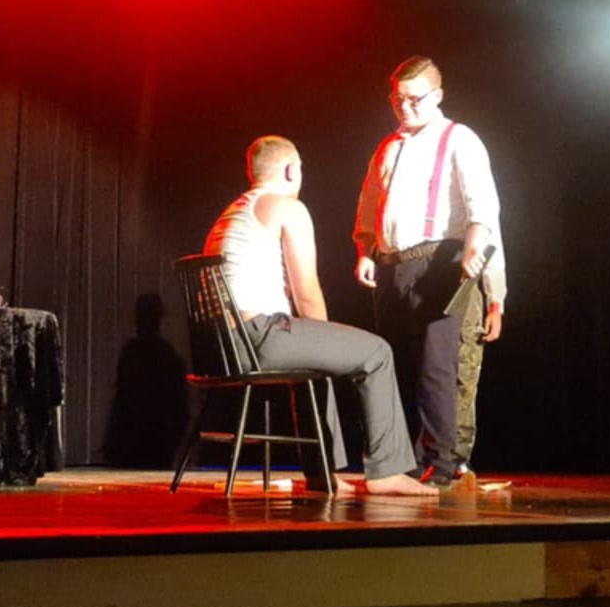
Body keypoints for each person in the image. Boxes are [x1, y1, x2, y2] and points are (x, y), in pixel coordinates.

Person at [204, 135, 437, 496]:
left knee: (313, 358)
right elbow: (306, 292)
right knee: (377, 352)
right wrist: (329, 340)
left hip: (218, 347)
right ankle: (387, 471)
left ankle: (321, 473)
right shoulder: (287, 207)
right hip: (256, 337)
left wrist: (323, 347)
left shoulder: (232, 212)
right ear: (290, 170)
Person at [353, 56, 507, 486]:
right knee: (392, 363)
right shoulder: (388, 146)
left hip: (438, 260)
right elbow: (369, 203)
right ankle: (397, 460)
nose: (405, 107)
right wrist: (365, 249)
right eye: (397, 99)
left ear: (437, 95)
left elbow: (483, 204)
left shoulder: (459, 138)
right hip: (392, 266)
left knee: (436, 366)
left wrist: (477, 250)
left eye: (414, 99)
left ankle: (441, 463)